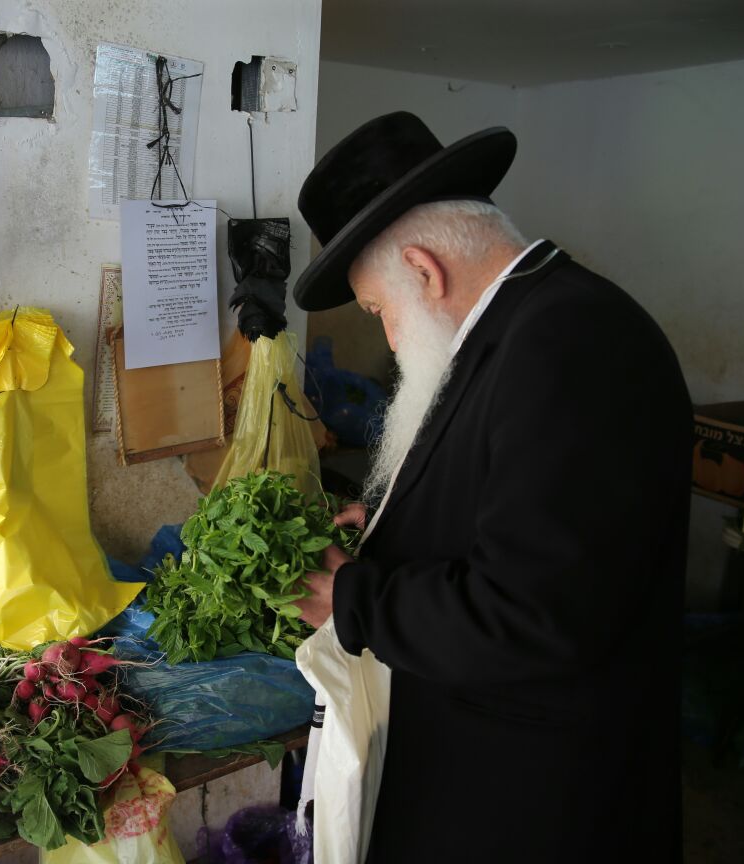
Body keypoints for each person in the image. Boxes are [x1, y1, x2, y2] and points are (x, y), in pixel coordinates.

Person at [291, 113, 689, 863]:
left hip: (541, 804)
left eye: (379, 313)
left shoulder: (574, 344)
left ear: (425, 269)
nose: (388, 339)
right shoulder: (517, 329)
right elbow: (514, 493)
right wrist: (383, 520)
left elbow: (537, 611)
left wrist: (355, 599)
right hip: (488, 772)